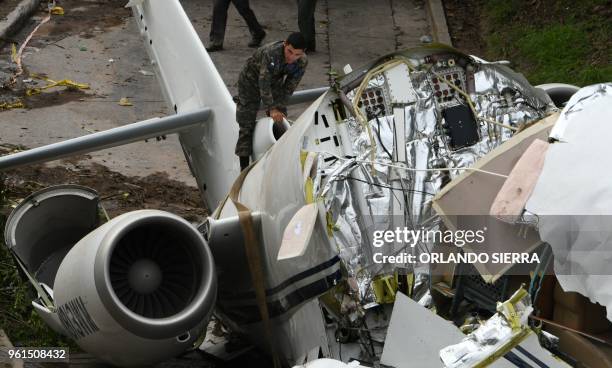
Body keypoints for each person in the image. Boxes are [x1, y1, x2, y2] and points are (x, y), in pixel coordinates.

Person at [234, 32, 308, 170]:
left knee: (281, 121)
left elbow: (289, 87)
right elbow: (263, 82)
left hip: (274, 82)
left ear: (303, 53)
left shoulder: (302, 62)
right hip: (250, 82)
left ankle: (279, 161)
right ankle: (243, 169)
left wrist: (279, 107)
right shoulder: (271, 53)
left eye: (297, 54)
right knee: (246, 125)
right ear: (285, 44)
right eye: (289, 51)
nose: (291, 57)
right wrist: (271, 108)